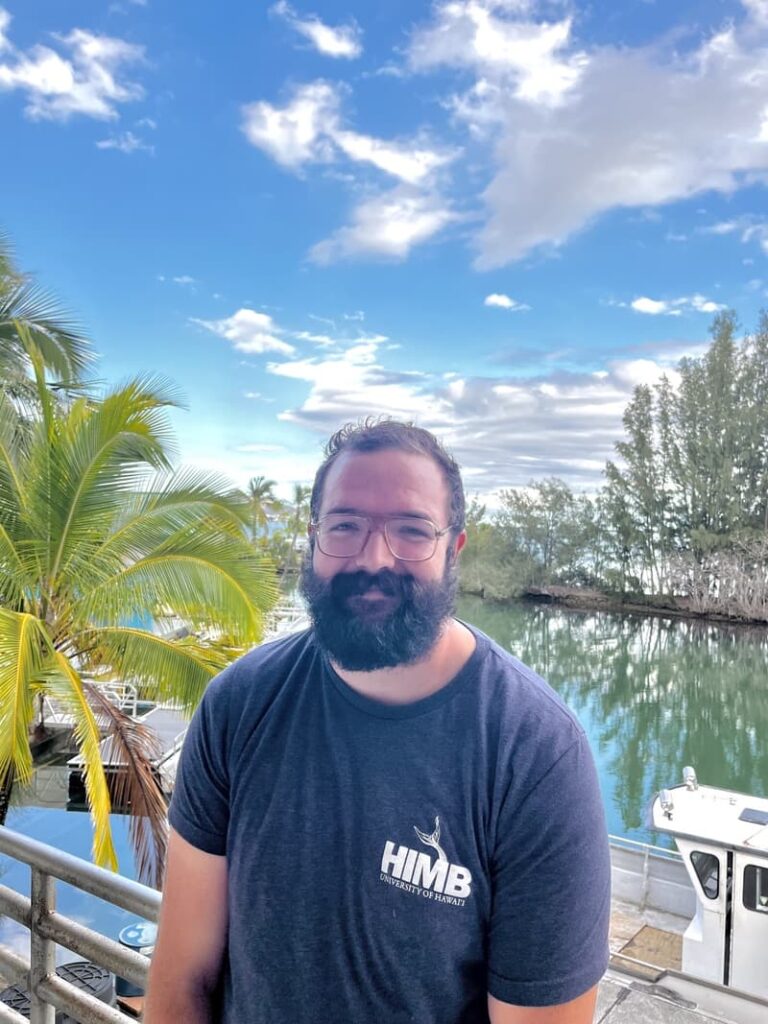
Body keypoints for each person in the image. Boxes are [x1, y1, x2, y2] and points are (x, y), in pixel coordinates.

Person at [144, 419, 611, 1024]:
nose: (374, 558)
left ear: (453, 550)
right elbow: (182, 976)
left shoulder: (536, 754)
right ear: (313, 538)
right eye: (346, 526)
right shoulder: (238, 705)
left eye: (412, 530)